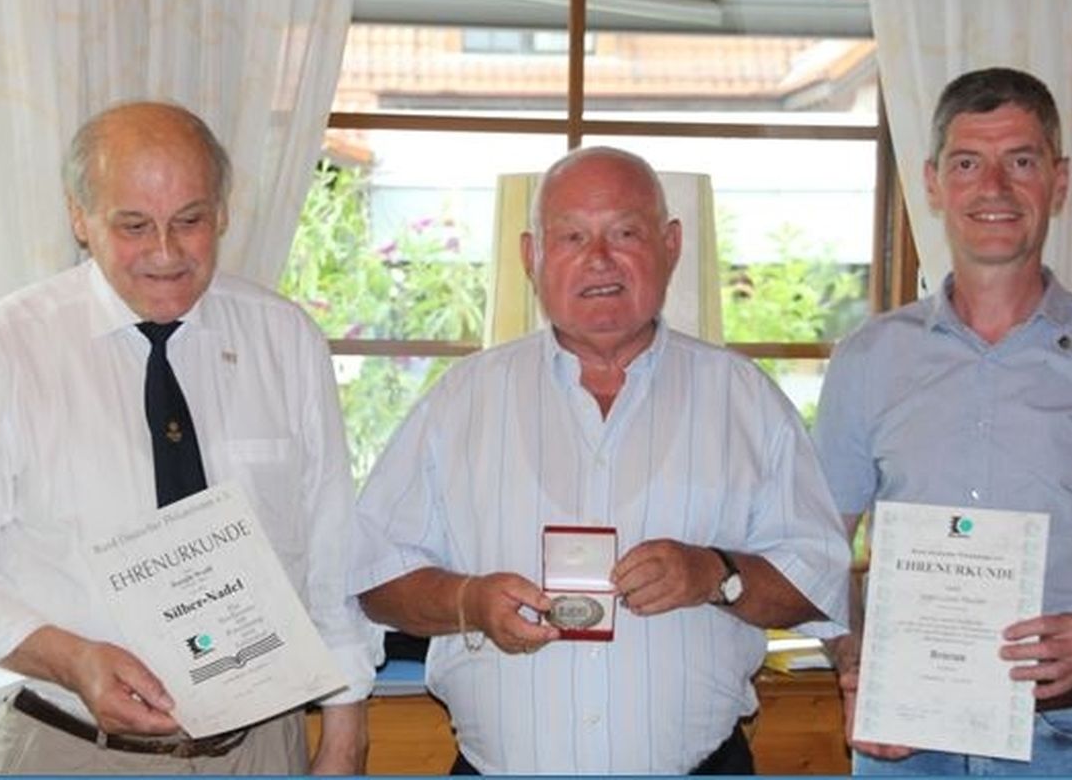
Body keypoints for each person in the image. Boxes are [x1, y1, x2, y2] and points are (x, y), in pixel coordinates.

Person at [350, 146, 851, 774]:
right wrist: (468, 601)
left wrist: (715, 574)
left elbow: (817, 578)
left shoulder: (745, 400)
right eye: (572, 236)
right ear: (531, 256)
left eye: (625, 233)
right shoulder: (459, 402)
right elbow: (374, 576)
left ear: (671, 245)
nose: (599, 258)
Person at [0, 102, 381, 774]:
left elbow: (331, 552)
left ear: (222, 212)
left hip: (259, 750)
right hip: (62, 746)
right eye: (134, 226)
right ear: (79, 218)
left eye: (189, 221)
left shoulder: (285, 341)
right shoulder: (2, 352)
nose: (166, 253)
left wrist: (346, 732)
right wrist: (74, 661)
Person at [813, 67, 1072, 775]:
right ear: (933, 183)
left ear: (1058, 181)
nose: (993, 187)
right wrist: (854, 659)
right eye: (967, 163)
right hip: (904, 739)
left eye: (1020, 161)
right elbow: (816, 548)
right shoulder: (867, 359)